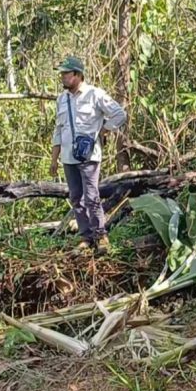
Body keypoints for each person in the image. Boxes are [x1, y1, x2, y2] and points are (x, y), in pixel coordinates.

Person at [50, 56, 127, 251]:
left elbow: (119, 114)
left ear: (77, 74)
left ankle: (101, 236)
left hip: (88, 156)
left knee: (92, 195)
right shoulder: (62, 99)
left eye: (66, 74)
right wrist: (54, 159)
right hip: (68, 157)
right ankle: (85, 237)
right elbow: (58, 130)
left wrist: (104, 130)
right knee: (76, 197)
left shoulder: (94, 94)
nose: (62, 78)